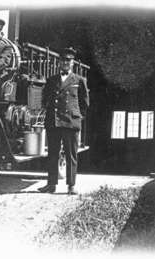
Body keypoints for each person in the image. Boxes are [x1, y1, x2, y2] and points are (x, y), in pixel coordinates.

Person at [38, 47, 90, 195]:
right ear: (59, 62)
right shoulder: (51, 80)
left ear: (72, 63)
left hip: (70, 122)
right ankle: (51, 184)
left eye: (68, 60)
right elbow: (45, 99)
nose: (65, 63)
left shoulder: (79, 80)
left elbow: (84, 103)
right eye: (63, 60)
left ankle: (71, 185)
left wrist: (76, 116)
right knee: (52, 153)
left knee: (71, 155)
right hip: (54, 121)